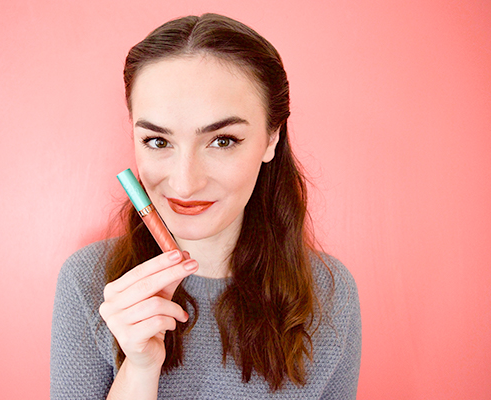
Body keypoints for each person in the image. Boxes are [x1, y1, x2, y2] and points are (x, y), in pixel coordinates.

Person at [50, 13, 361, 400]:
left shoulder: (331, 293)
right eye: (158, 141)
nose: (185, 183)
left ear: (271, 139)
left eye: (223, 141)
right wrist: (139, 370)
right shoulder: (87, 282)